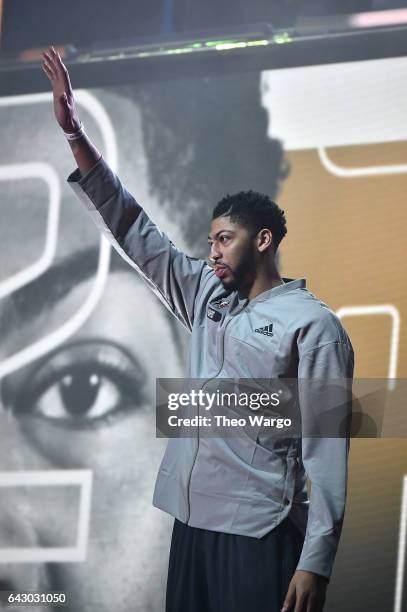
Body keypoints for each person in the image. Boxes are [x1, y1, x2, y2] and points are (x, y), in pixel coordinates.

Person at [42, 46, 354, 612]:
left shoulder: (315, 327)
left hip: (259, 533)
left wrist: (316, 561)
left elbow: (327, 451)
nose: (211, 252)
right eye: (210, 241)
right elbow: (132, 228)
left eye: (224, 240)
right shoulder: (205, 291)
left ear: (263, 242)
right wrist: (75, 137)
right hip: (191, 526)